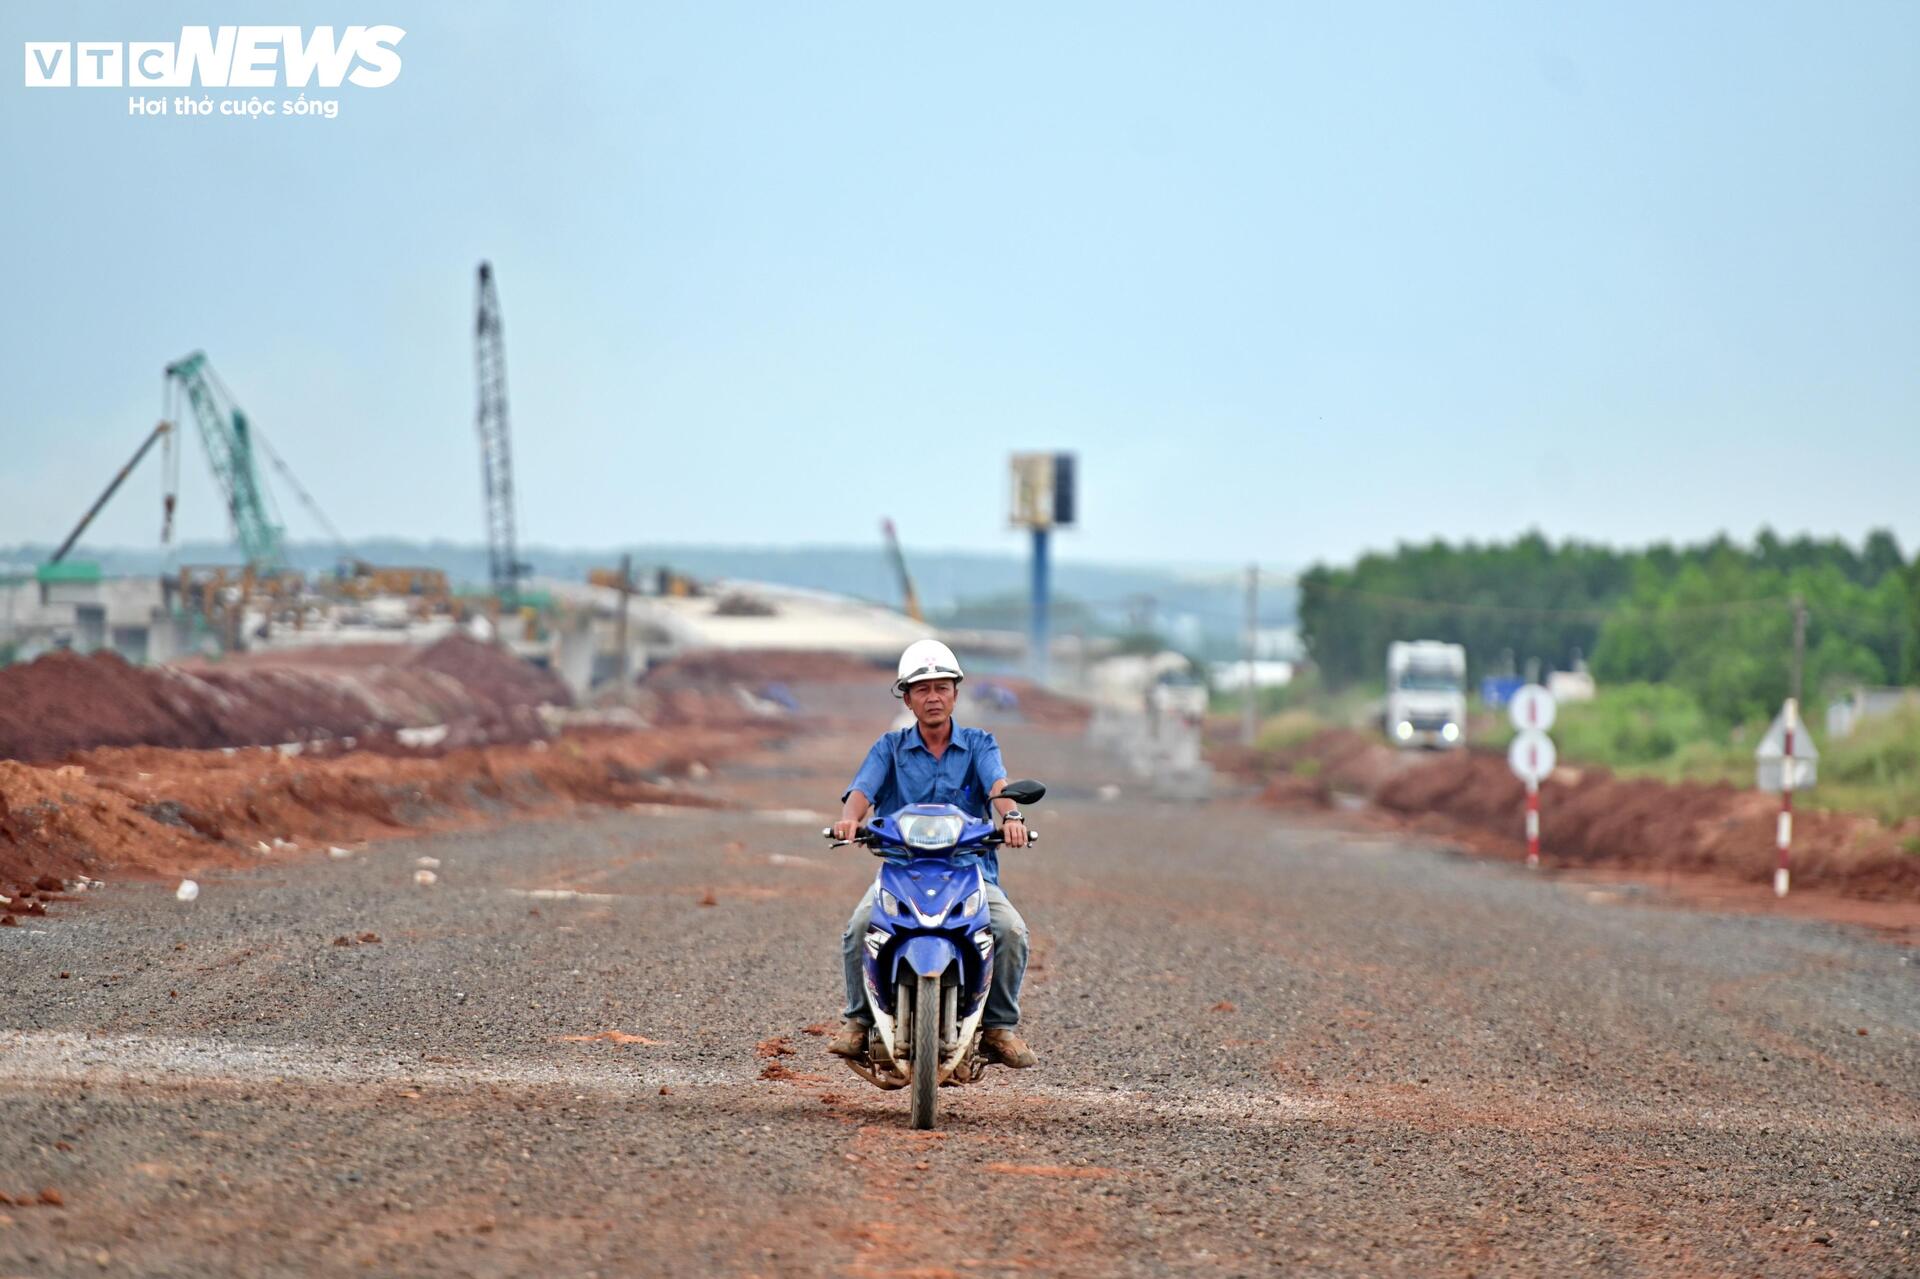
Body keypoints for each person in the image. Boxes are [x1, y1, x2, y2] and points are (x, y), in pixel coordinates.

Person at [826, 639, 1038, 1068]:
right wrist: (850, 820)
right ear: (907, 697)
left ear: (956, 693)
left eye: (942, 687)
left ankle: (998, 1028)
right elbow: (862, 790)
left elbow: (998, 785)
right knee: (860, 927)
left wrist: (1011, 817)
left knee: (1010, 932)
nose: (933, 697)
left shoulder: (980, 744)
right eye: (922, 689)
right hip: (903, 872)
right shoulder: (890, 747)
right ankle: (858, 1022)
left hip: (968, 871)